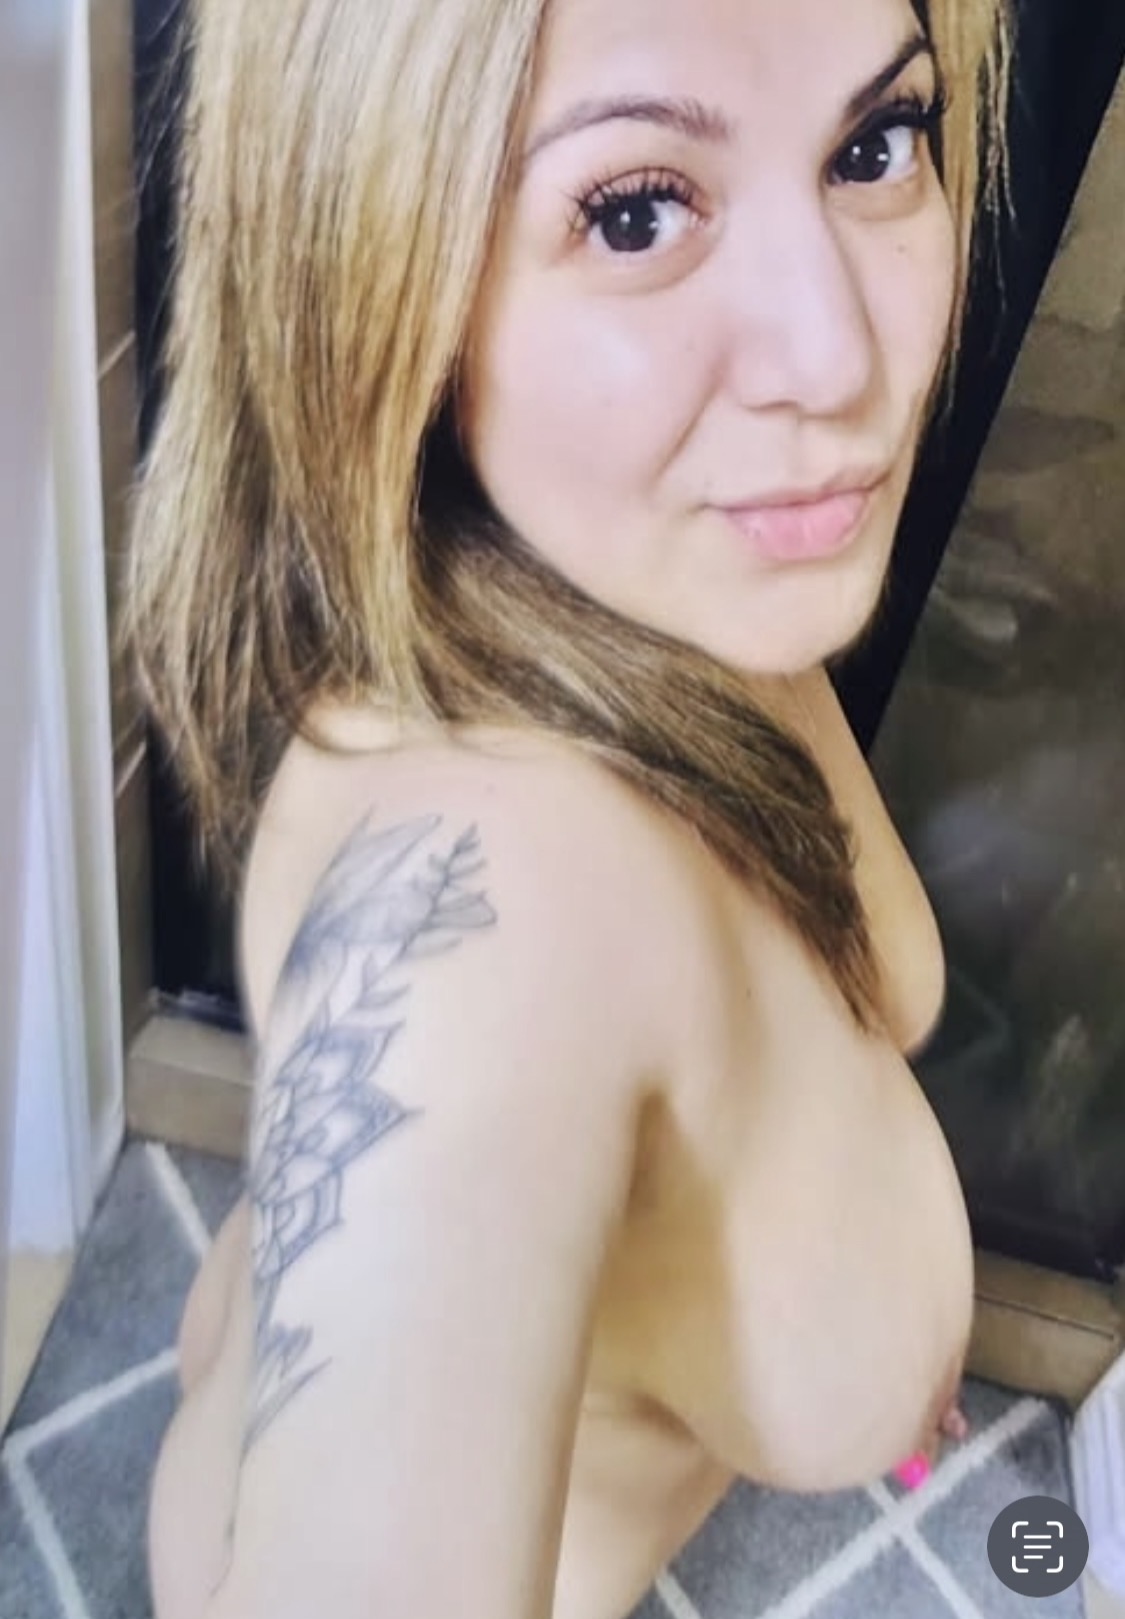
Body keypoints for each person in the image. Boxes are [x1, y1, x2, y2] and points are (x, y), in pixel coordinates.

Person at [131, 0, 1010, 1614]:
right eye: (633, 213)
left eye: (875, 145)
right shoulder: (496, 896)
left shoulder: (656, 580)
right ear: (371, 266)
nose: (841, 360)